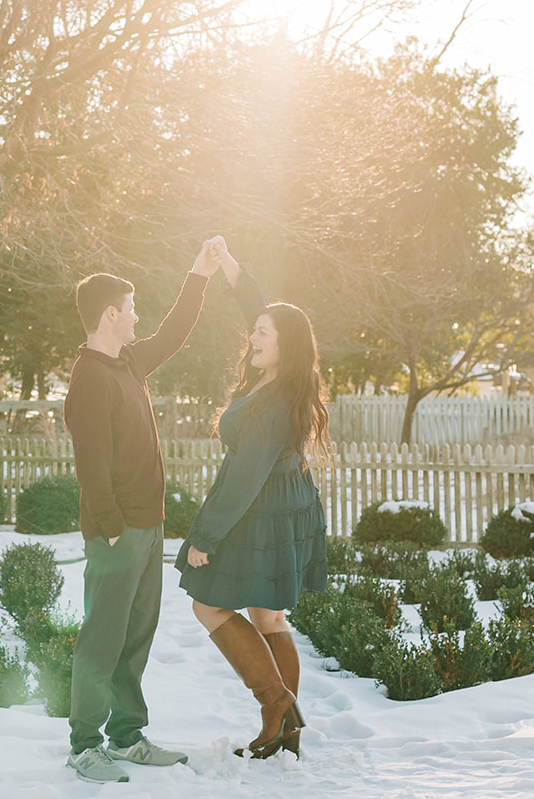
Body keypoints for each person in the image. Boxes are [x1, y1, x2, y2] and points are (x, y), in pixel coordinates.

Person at [62, 239, 220, 783]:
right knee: (102, 637)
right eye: (130, 308)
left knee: (136, 635)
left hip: (147, 529)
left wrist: (198, 274)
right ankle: (85, 746)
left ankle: (126, 736)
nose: (137, 317)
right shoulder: (89, 380)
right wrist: (109, 528)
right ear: (110, 314)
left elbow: (174, 333)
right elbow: (92, 466)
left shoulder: (127, 361)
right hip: (118, 532)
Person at [176, 239, 330, 760]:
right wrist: (231, 269)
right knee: (268, 617)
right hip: (284, 508)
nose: (253, 336)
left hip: (261, 513)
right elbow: (265, 312)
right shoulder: (284, 378)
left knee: (207, 603)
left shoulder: (271, 403)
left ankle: (275, 704)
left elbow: (243, 477)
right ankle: (286, 730)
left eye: (263, 333)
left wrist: (204, 536)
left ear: (284, 344)